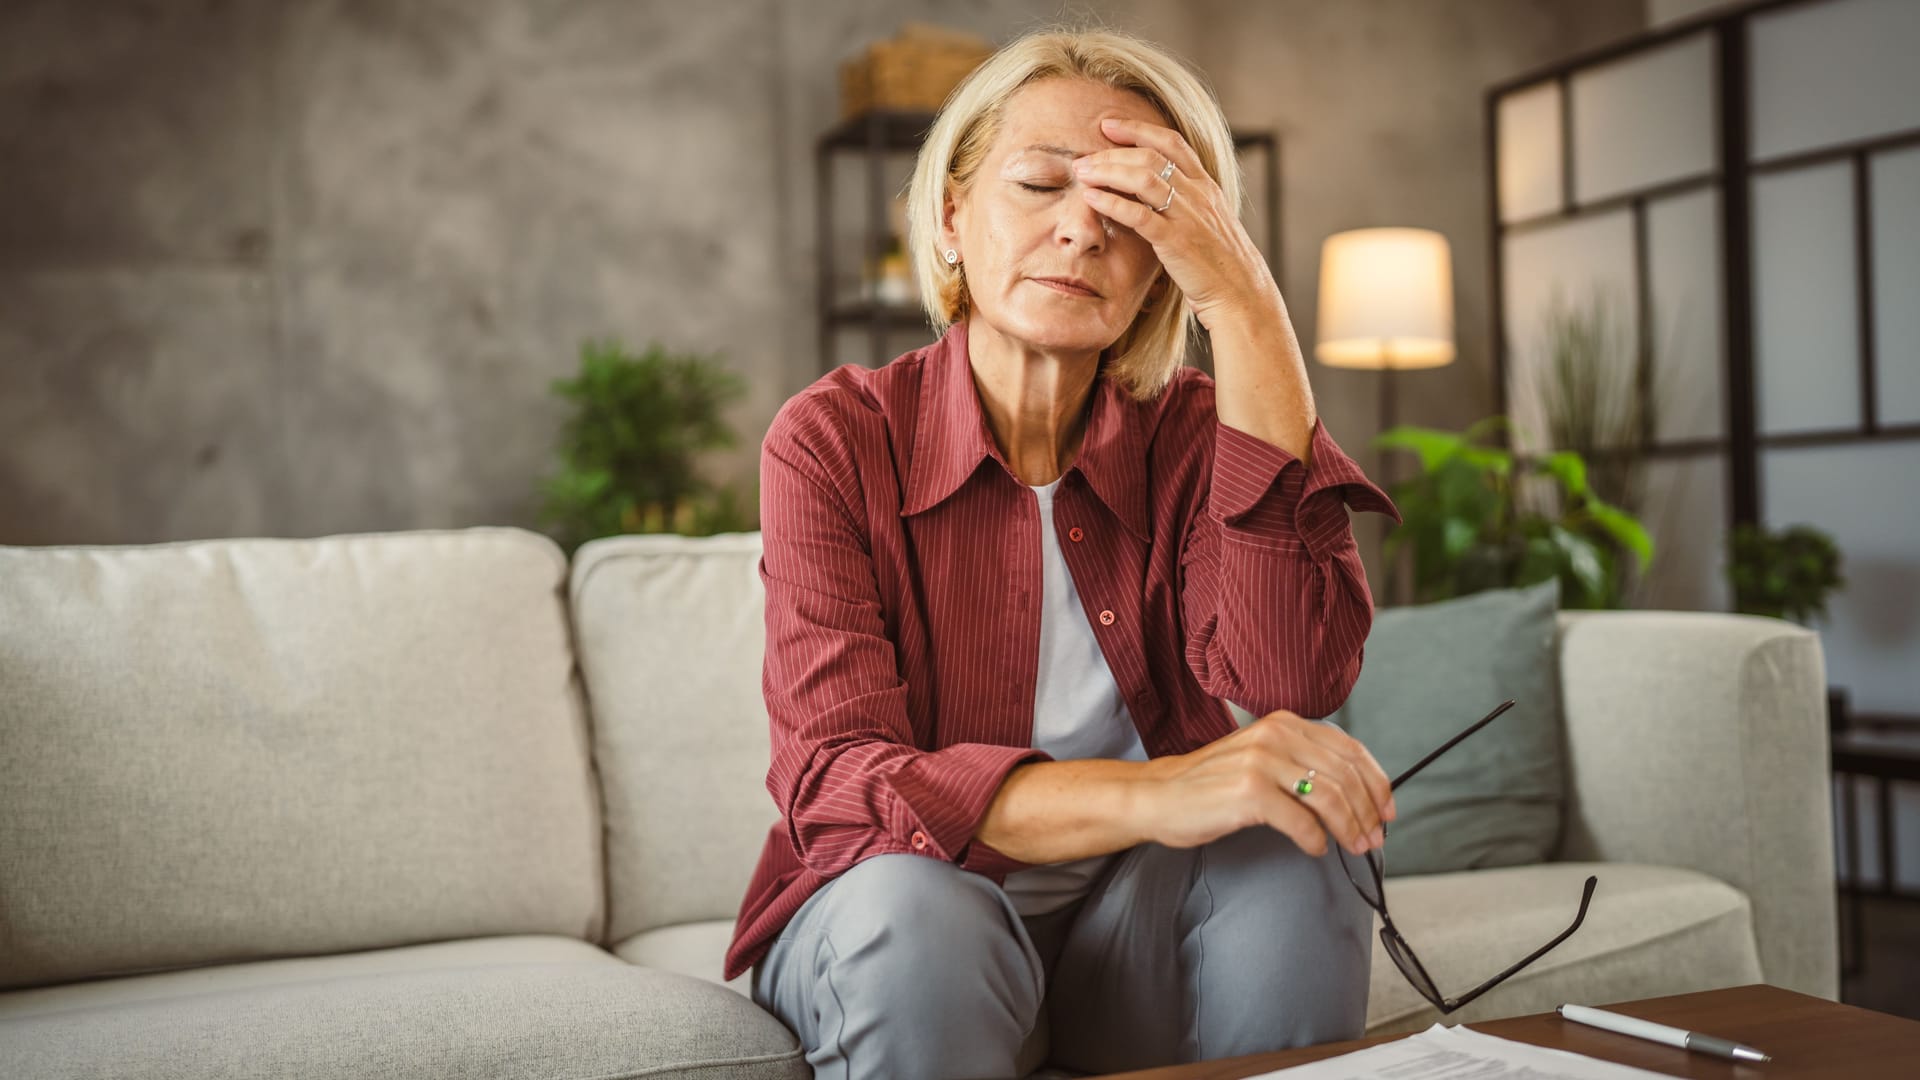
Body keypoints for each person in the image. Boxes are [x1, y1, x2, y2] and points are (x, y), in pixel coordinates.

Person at [725, 26, 1404, 1080]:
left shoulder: (1196, 434)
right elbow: (842, 784)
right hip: (898, 916)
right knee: (921, 915)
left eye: (1134, 212)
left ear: (1168, 266)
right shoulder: (834, 439)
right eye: (1039, 184)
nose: (1081, 233)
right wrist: (1162, 793)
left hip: (1123, 931)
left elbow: (1295, 677)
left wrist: (1247, 306)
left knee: (1295, 848)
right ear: (951, 219)